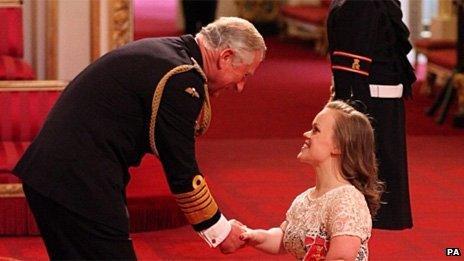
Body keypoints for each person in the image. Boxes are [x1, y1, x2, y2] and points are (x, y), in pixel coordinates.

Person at [13, 17, 266, 260]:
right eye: (244, 75)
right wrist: (219, 232)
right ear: (226, 56)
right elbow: (182, 170)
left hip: (57, 175)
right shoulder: (181, 78)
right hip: (76, 183)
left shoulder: (171, 54)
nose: (240, 86)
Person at [240, 101, 384, 260]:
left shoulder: (347, 201)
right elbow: (284, 239)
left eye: (315, 130)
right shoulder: (304, 199)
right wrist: (256, 236)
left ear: (338, 147)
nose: (306, 134)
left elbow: (341, 258)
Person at [326, 0, 416, 229]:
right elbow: (351, 69)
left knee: (382, 171)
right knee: (367, 168)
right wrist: (349, 110)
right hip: (370, 102)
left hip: (385, 100)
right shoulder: (361, 4)